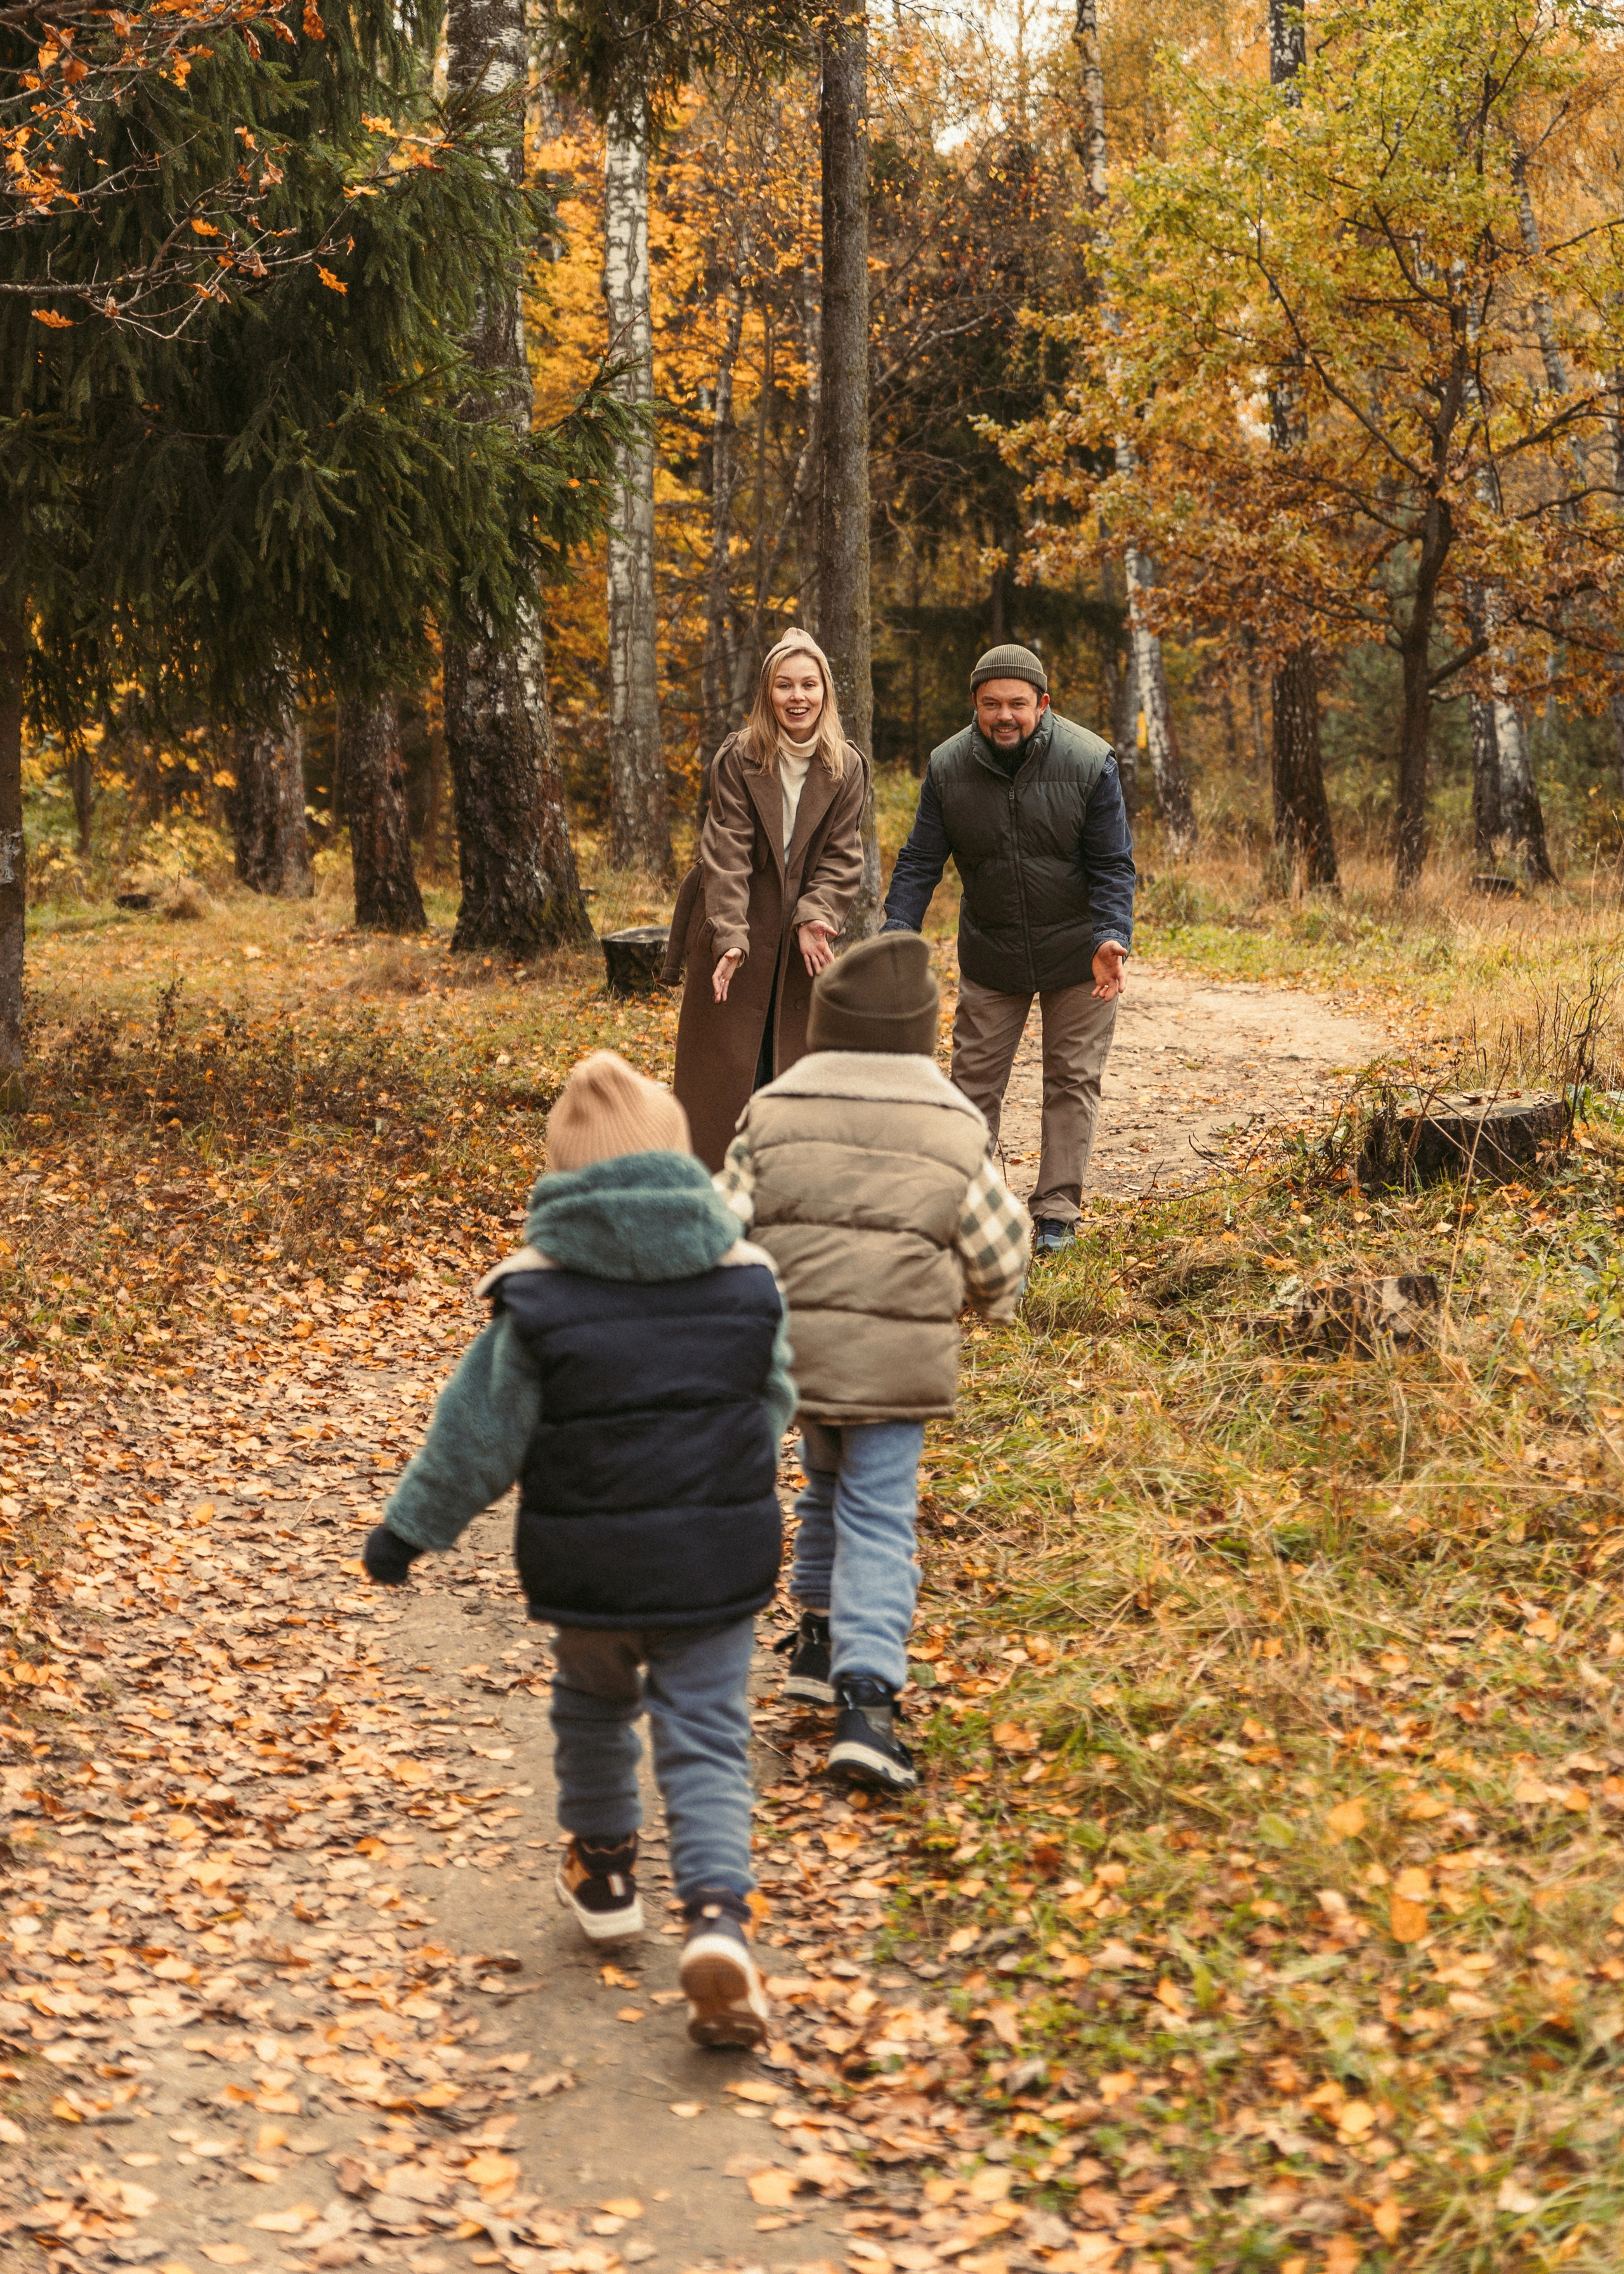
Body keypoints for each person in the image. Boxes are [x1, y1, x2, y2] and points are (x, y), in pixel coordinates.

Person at [359, 1051, 796, 2050]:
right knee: (708, 1739)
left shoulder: (538, 1296)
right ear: (683, 1166)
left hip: (589, 1579)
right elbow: (774, 1402)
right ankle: (719, 1921)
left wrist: (407, 1532)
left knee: (595, 1708)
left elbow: (477, 1436)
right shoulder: (748, 1282)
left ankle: (603, 1870)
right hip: (714, 1568)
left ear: (565, 1181)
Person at [717, 933, 1030, 1794]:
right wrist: (993, 1304)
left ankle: (815, 1641)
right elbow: (1000, 1248)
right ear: (921, 1031)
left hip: (793, 1355)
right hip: (896, 1362)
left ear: (825, 1025)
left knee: (824, 1485)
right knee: (880, 1517)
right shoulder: (953, 1124)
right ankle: (867, 1704)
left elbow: (721, 1225)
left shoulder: (773, 1109)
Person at [882, 643, 1137, 1256]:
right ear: (974, 706)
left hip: (1080, 952)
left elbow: (1113, 864)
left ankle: (1057, 1214)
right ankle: (975, 1209)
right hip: (993, 951)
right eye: (992, 703)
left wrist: (1111, 936)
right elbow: (921, 860)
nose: (1005, 716)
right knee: (972, 1083)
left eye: (1018, 704)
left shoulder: (1090, 760)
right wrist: (897, 931)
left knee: (1072, 1079)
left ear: (1042, 705)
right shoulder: (948, 767)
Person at [665, 628, 869, 1171]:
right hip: (739, 918)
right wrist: (729, 935)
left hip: (802, 939)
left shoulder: (846, 765)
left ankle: (786, 1190)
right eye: (785, 686)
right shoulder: (739, 757)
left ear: (825, 691)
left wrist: (817, 914)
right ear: (767, 693)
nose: (797, 697)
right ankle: (710, 1191)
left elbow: (843, 856)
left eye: (809, 685)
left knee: (792, 1061)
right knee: (725, 1075)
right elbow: (725, 851)